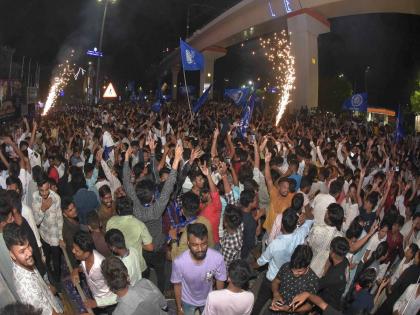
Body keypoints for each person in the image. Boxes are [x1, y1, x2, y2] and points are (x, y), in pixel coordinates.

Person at [123, 143, 182, 292]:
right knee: (161, 272)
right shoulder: (156, 210)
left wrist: (125, 160)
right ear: (152, 197)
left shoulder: (135, 204)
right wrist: (175, 162)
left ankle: (145, 289)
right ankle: (161, 290)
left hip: (142, 246)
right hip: (157, 246)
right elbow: (168, 189)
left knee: (145, 270)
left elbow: (126, 183)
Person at [253, 207, 314, 314]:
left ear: (281, 225)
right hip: (286, 279)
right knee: (280, 305)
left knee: (260, 301)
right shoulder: (300, 234)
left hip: (271, 278)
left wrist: (252, 264)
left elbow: (261, 261)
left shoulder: (275, 244)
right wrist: (305, 215)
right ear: (296, 224)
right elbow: (311, 219)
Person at [3, 223, 63, 315]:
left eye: (28, 246)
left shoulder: (25, 262)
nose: (29, 253)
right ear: (12, 255)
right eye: (22, 251)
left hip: (52, 302)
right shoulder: (27, 288)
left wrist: (47, 289)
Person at [171, 223, 227, 315]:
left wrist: (218, 301)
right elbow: (177, 285)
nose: (200, 249)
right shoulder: (179, 262)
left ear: (207, 241)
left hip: (208, 299)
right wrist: (179, 308)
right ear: (188, 243)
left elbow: (220, 280)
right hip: (187, 301)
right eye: (195, 245)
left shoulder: (217, 258)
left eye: (203, 244)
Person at [101, 256, 167, 315]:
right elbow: (163, 304)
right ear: (127, 275)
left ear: (108, 284)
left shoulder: (118, 313)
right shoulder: (145, 283)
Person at [106, 196, 153, 277]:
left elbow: (109, 239)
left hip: (120, 265)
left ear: (118, 210)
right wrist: (139, 244)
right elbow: (150, 247)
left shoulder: (111, 221)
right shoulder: (139, 224)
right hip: (138, 265)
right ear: (132, 209)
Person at [71, 231, 117, 313]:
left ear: (87, 253)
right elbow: (83, 267)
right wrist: (76, 270)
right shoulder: (83, 259)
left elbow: (118, 295)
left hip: (109, 304)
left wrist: (97, 303)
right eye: (73, 248)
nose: (73, 251)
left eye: (77, 250)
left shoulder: (104, 266)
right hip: (94, 296)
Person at [31, 176, 64, 288]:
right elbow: (36, 221)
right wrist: (43, 208)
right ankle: (49, 276)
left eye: (46, 189)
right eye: (42, 190)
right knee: (46, 258)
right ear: (38, 188)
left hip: (54, 235)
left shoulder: (56, 198)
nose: (44, 193)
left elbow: (59, 218)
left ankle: (58, 281)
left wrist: (60, 237)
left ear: (49, 186)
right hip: (44, 234)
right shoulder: (35, 197)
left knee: (57, 260)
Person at [269, 245, 319, 315]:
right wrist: (276, 293)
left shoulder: (313, 280)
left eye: (299, 271)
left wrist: (290, 310)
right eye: (293, 269)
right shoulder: (286, 266)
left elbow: (309, 306)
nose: (295, 273)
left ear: (308, 266)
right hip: (278, 308)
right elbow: (276, 281)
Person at [170, 191, 214, 260]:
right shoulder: (205, 221)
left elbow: (176, 259)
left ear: (182, 211)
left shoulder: (186, 237)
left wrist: (174, 240)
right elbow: (211, 244)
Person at [307, 203, 345, 277]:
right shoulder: (340, 237)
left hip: (307, 266)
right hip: (321, 273)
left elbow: (308, 247)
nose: (325, 213)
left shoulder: (317, 229)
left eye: (327, 212)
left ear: (328, 216)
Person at [319, 236, 350, 311]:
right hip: (337, 297)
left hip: (328, 303)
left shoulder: (333, 276)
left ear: (332, 252)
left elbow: (317, 285)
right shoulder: (345, 261)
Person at [61, 196, 81, 268]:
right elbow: (74, 248)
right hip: (76, 257)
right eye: (70, 210)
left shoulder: (73, 218)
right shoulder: (67, 230)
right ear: (65, 214)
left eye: (74, 207)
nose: (74, 210)